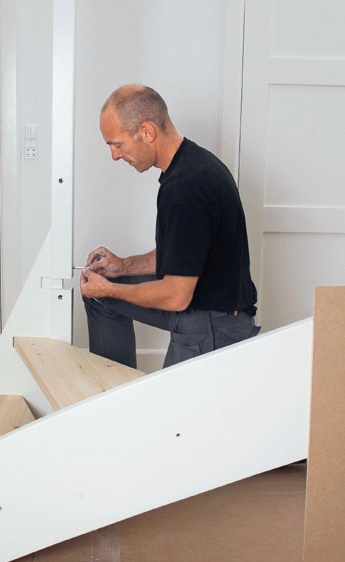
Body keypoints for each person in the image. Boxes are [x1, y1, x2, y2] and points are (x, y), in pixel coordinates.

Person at [80, 84, 259, 369]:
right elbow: (182, 255)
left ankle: (124, 393)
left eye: (117, 144)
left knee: (106, 293)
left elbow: (176, 296)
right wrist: (122, 267)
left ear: (147, 132)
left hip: (211, 327)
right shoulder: (193, 163)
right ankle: (117, 389)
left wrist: (109, 289)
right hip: (205, 309)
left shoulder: (185, 189)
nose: (114, 155)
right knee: (99, 296)